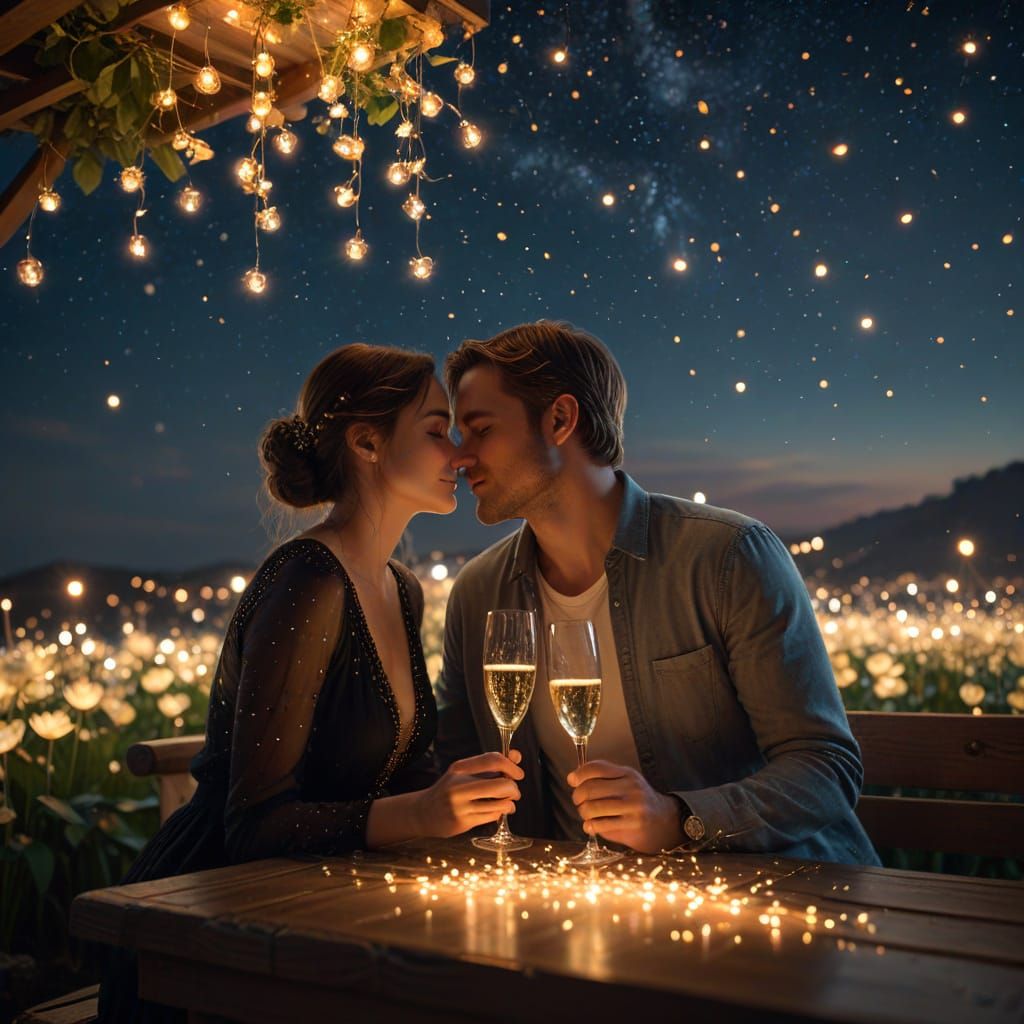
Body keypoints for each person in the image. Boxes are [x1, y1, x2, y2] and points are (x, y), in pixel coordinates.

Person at [98, 344, 523, 1023]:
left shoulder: (400, 589)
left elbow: (408, 778)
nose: (460, 454)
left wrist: (457, 802)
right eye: (438, 431)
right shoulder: (309, 582)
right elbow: (254, 826)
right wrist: (421, 815)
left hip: (332, 907)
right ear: (367, 443)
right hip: (211, 935)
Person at [435, 321, 880, 865]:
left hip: (771, 896)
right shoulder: (479, 593)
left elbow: (824, 766)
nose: (460, 457)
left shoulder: (728, 557)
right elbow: (454, 767)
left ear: (559, 420)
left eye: (480, 429)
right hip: (576, 912)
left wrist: (679, 819)